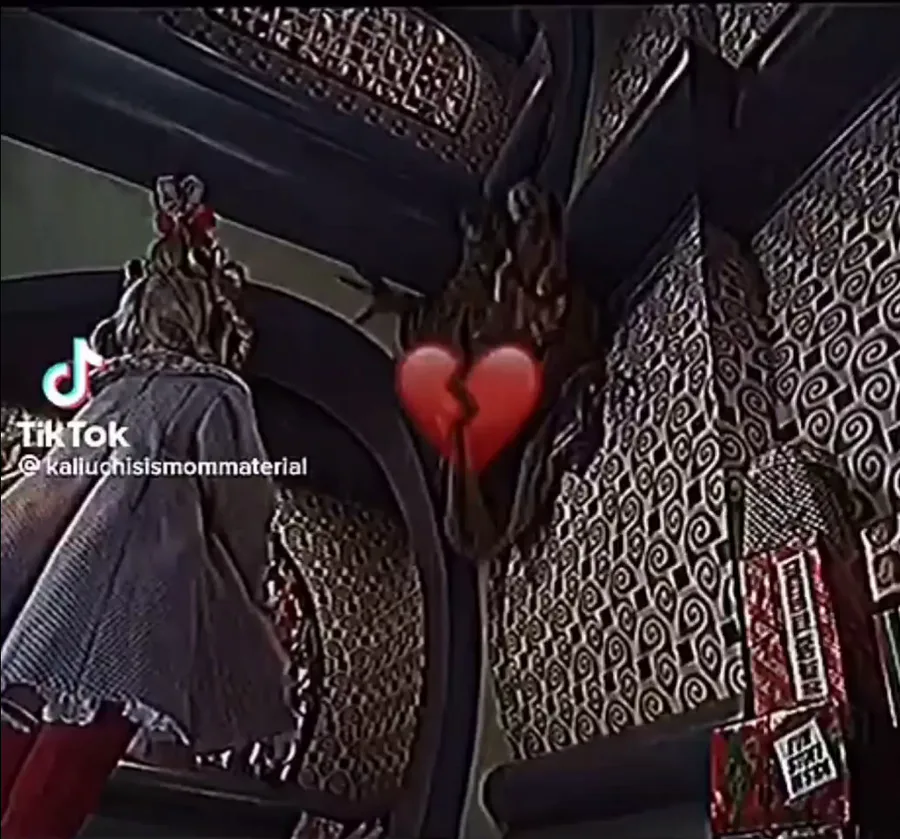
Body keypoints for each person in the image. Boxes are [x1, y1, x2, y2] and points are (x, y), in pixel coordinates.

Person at [0, 175, 296, 839]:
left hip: (54, 592)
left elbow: (54, 478)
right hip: (144, 603)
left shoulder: (111, 395)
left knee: (21, 712)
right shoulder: (218, 397)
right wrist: (249, 601)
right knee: (69, 768)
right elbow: (243, 508)